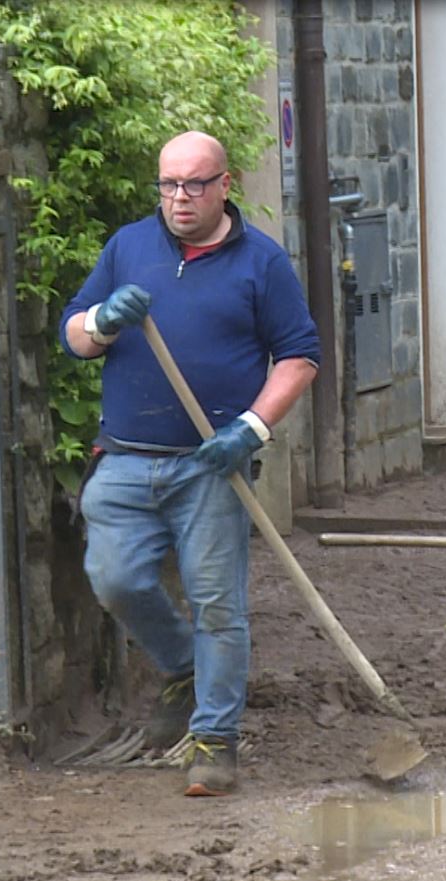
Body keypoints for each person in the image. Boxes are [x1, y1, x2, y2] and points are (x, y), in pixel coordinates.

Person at [61, 131, 321, 796]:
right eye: (169, 185)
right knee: (113, 578)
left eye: (194, 184)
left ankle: (214, 739)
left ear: (224, 185)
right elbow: (75, 338)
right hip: (123, 457)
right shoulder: (128, 247)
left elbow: (299, 356)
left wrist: (251, 427)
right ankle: (181, 666)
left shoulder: (260, 262)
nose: (179, 198)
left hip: (211, 466)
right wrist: (102, 319)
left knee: (217, 604)